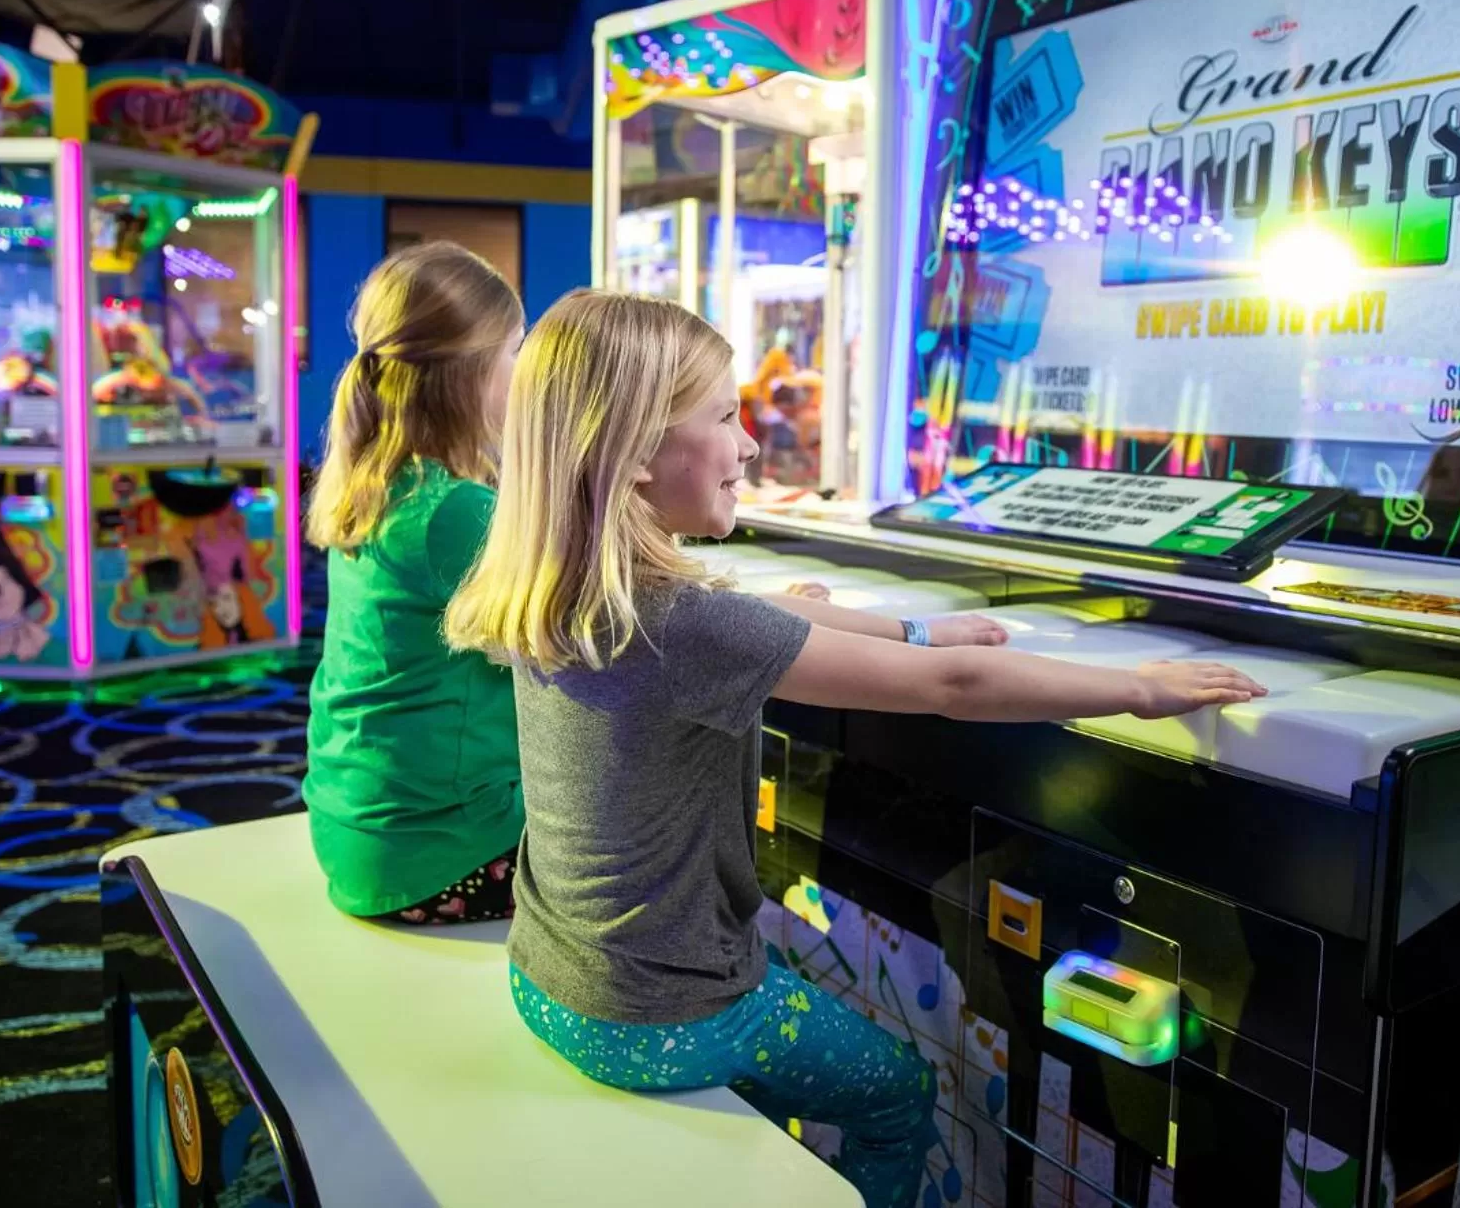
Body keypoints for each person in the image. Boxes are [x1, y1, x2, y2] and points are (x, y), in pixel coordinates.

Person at [443, 289, 1264, 1206]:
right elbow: (953, 689)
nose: (751, 445)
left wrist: (916, 629)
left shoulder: (560, 588)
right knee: (897, 1094)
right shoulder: (686, 625)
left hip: (548, 975)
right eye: (725, 416)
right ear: (636, 451)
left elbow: (757, 615)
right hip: (657, 1016)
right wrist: (1137, 688)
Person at [302, 242, 526, 925]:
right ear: (468, 373)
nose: (523, 373)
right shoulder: (454, 512)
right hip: (439, 850)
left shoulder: (385, 485)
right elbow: (583, 633)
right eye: (513, 351)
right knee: (652, 834)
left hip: (357, 829)